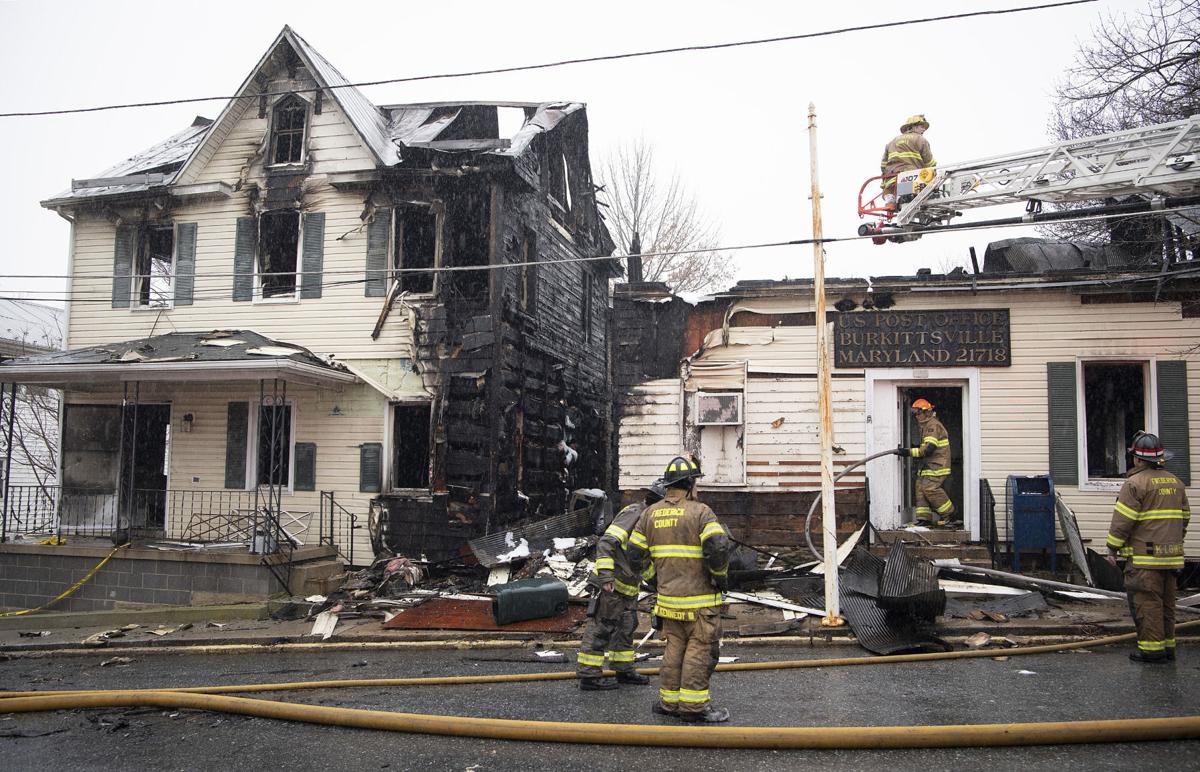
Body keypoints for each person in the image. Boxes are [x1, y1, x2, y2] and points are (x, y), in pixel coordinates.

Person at [628, 456, 731, 723]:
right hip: (699, 604)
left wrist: (653, 579)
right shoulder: (701, 512)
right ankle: (693, 708)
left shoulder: (649, 514)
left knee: (673, 650)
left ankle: (669, 703)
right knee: (699, 651)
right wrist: (720, 577)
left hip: (668, 602)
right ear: (690, 484)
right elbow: (718, 548)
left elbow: (634, 553)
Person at [1105, 432, 1190, 663]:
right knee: (1167, 605)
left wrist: (1112, 548)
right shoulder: (1176, 483)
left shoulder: (1135, 484)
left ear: (1139, 460)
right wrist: (1172, 542)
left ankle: (1152, 652)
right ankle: (1168, 648)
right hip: (1172, 558)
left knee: (1147, 605)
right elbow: (1185, 518)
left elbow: (1123, 521)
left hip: (1145, 560)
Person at [576, 481, 665, 690]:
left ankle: (623, 670)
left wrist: (658, 583)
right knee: (601, 627)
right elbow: (607, 542)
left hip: (627, 586)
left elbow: (642, 559)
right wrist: (606, 577)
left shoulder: (650, 520)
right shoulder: (635, 514)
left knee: (626, 627)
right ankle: (589, 677)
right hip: (611, 584)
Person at [892, 398, 955, 526]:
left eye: (918, 413)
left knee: (929, 488)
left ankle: (950, 515)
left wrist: (907, 452)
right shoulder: (926, 426)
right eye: (914, 414)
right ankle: (924, 519)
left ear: (927, 412)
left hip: (937, 466)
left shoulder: (933, 425)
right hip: (928, 466)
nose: (916, 416)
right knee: (920, 488)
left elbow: (928, 450)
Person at [880, 115, 935, 207]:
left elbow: (883, 165)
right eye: (922, 126)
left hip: (892, 181)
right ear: (913, 126)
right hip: (912, 179)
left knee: (896, 198)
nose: (924, 129)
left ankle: (891, 201)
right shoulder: (920, 139)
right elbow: (930, 163)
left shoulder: (892, 142)